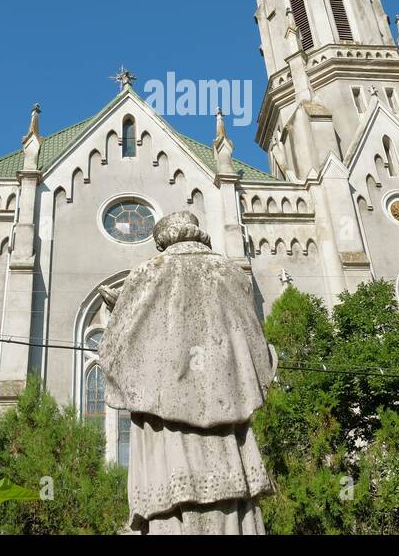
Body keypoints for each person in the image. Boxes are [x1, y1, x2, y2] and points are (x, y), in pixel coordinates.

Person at [98, 211, 277, 534]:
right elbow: (259, 357)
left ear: (164, 240)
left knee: (176, 505)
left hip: (170, 436)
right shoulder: (231, 273)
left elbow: (117, 355)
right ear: (197, 233)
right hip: (227, 437)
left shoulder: (150, 272)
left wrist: (118, 308)